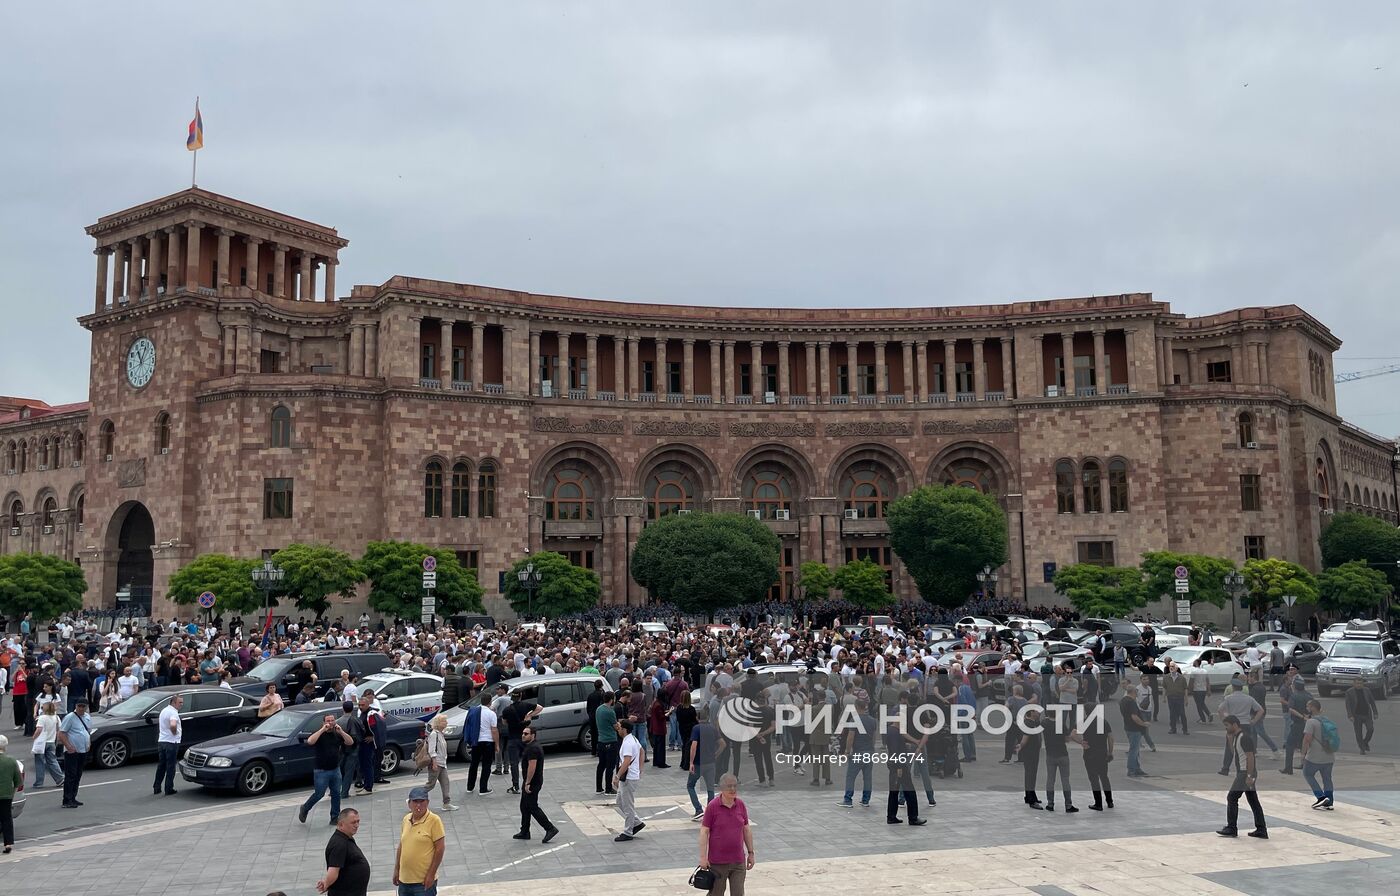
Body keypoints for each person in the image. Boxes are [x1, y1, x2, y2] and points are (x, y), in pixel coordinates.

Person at [699, 773, 754, 896]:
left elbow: (746, 829)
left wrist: (751, 853)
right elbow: (704, 832)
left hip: (738, 861)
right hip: (718, 863)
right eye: (729, 786)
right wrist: (703, 857)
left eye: (735, 786)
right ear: (721, 788)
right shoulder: (712, 806)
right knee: (716, 893)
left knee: (738, 893)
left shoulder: (740, 804)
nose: (733, 789)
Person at [1218, 714, 1268, 839]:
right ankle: (1261, 829)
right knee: (1253, 801)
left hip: (1245, 772)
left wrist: (1249, 775)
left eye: (1227, 725)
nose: (1226, 728)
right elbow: (1235, 752)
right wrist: (1230, 739)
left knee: (1232, 797)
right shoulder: (1236, 737)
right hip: (1244, 772)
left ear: (1235, 724)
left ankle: (1232, 828)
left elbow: (1250, 757)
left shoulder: (1244, 737)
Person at [300, 712, 355, 824]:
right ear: (324, 722)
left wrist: (341, 732)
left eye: (332, 720)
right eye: (328, 721)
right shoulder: (319, 733)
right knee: (319, 794)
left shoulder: (337, 733)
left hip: (335, 769)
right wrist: (322, 730)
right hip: (321, 770)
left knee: (336, 794)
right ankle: (305, 808)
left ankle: (334, 817)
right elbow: (310, 741)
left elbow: (350, 742)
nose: (330, 723)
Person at [393, 786, 446, 896]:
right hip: (404, 881)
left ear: (427, 802)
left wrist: (431, 875)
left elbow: (440, 849)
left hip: (422, 882)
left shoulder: (434, 820)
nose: (418, 805)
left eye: (422, 801)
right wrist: (397, 869)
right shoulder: (406, 819)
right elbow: (402, 846)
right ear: (409, 804)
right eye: (415, 802)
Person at [513, 724, 559, 842]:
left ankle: (550, 828)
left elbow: (532, 767)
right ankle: (525, 831)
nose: (523, 735)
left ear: (533, 735)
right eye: (523, 733)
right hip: (531, 781)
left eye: (526, 734)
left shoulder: (533, 748)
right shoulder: (532, 746)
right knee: (524, 806)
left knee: (532, 807)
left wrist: (527, 782)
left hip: (532, 782)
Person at [318, 807, 370, 896]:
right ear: (341, 824)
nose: (357, 825)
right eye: (353, 822)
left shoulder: (345, 838)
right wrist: (326, 883)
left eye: (358, 821)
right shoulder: (339, 844)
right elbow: (333, 870)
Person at [501, 690, 542, 794]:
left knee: (514, 763)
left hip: (512, 739)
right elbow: (540, 708)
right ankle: (528, 782)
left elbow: (504, 722)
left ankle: (515, 786)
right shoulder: (526, 705)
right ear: (520, 696)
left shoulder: (506, 710)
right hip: (525, 738)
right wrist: (530, 715)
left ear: (512, 698)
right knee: (528, 761)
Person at [1300, 698, 1337, 810]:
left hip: (1314, 756)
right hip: (1329, 755)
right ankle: (1329, 801)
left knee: (1308, 774)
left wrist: (1303, 754)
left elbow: (1307, 739)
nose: (1306, 708)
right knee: (1327, 778)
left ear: (1312, 708)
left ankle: (1320, 797)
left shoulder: (1311, 722)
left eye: (1308, 706)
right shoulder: (1327, 720)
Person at [613, 719, 646, 841]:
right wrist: (640, 768)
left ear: (624, 729)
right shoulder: (633, 739)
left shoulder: (627, 743)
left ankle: (628, 832)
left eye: (619, 727)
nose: (618, 729)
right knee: (620, 801)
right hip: (630, 776)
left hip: (628, 777)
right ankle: (637, 823)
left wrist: (617, 776)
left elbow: (626, 761)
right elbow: (642, 751)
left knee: (628, 806)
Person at [1075, 708, 1113, 810]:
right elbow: (1110, 738)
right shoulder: (1104, 722)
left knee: (1094, 779)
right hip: (1102, 754)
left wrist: (1081, 742)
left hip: (1089, 754)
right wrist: (1110, 752)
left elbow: (1073, 733)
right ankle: (1109, 801)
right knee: (1104, 777)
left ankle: (1098, 803)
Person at [688, 707, 722, 819]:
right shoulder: (713, 728)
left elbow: (694, 746)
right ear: (707, 717)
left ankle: (698, 809)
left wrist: (691, 762)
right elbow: (723, 744)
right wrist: (716, 754)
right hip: (710, 763)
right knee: (710, 788)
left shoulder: (696, 729)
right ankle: (710, 812)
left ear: (697, 718)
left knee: (690, 785)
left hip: (698, 763)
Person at [57, 700, 92, 808]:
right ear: (76, 706)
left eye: (83, 706)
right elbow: (61, 733)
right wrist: (68, 746)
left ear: (86, 707)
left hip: (83, 750)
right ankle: (67, 800)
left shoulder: (87, 717)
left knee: (78, 775)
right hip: (72, 751)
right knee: (70, 775)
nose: (81, 708)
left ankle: (73, 797)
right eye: (79, 706)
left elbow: (87, 731)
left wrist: (88, 743)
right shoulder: (70, 717)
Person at [465, 693, 500, 795]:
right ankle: (483, 788)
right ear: (490, 702)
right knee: (486, 765)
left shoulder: (473, 711)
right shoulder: (491, 714)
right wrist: (497, 744)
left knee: (474, 764)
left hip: (476, 741)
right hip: (488, 741)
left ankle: (470, 787)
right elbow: (494, 730)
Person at [424, 714, 457, 812]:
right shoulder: (434, 734)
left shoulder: (440, 734)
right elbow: (431, 750)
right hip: (436, 763)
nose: (446, 723)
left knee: (445, 783)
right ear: (438, 723)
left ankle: (446, 803)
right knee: (430, 784)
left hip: (442, 763)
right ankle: (414, 798)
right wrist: (434, 763)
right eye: (444, 721)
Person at [153, 692, 183, 795]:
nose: (181, 704)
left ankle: (157, 787)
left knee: (161, 765)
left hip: (162, 741)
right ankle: (168, 788)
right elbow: (173, 725)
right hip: (171, 742)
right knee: (171, 766)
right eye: (180, 702)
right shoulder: (173, 713)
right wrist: (175, 733)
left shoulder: (164, 710)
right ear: (173, 702)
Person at [30, 700, 63, 788]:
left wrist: (34, 737)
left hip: (41, 743)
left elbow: (39, 729)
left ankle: (39, 782)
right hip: (51, 741)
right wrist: (57, 740)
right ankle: (60, 778)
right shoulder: (56, 717)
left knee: (39, 762)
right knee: (52, 761)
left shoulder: (42, 718)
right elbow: (59, 730)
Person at [1119, 685, 1150, 778]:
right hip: (1134, 729)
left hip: (1128, 727)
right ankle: (1131, 769)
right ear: (1133, 692)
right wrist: (1144, 724)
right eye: (1136, 691)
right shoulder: (1131, 702)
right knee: (1134, 750)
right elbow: (1134, 716)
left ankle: (1137, 768)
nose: (1137, 693)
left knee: (1135, 750)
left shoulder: (1123, 700)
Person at [1016, 708, 1043, 808]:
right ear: (1031, 712)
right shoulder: (1028, 723)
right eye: (1036, 711)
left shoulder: (1033, 722)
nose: (1039, 713)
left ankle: (1030, 795)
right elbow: (1025, 738)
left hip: (1034, 752)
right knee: (1030, 775)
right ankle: (1031, 800)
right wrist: (1021, 746)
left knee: (1032, 774)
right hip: (1030, 752)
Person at [1344, 677, 1377, 754]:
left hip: (1367, 714)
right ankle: (1362, 748)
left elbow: (1372, 702)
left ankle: (1365, 742)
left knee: (1370, 729)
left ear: (1363, 684)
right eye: (1357, 683)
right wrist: (1350, 715)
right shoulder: (1349, 692)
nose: (1359, 685)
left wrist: (1375, 713)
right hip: (1356, 715)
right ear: (1354, 684)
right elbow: (1348, 705)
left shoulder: (1367, 690)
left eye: (1360, 683)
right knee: (1358, 733)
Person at [595, 690, 620, 794]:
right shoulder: (610, 712)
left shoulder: (599, 709)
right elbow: (616, 727)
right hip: (610, 740)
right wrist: (619, 724)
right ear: (611, 699)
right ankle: (608, 789)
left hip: (601, 740)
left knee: (601, 765)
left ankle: (599, 788)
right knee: (610, 766)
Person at [0, 735, 18, 854]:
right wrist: (12, 794)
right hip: (6, 794)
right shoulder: (11, 761)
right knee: (6, 818)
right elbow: (18, 781)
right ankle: (8, 843)